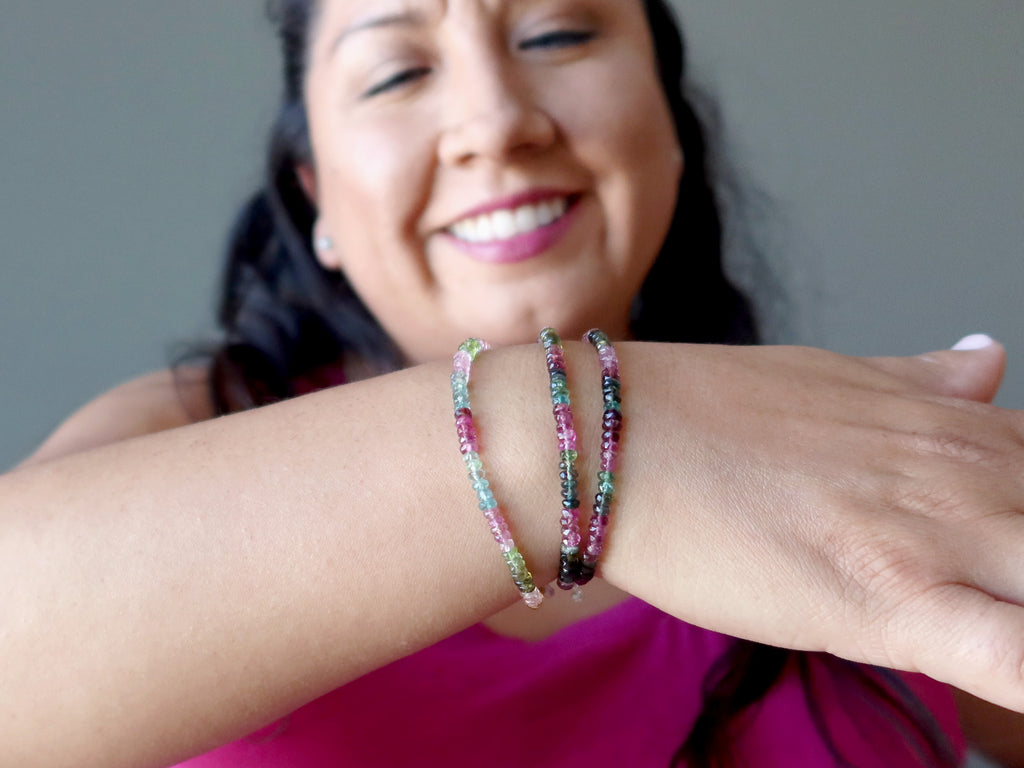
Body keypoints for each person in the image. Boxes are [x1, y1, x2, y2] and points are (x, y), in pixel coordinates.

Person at [2, 1, 1023, 766]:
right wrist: (561, 436)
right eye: (396, 74)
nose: (494, 120)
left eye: (555, 37)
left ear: (670, 124)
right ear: (314, 195)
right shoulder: (184, 431)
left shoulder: (856, 464)